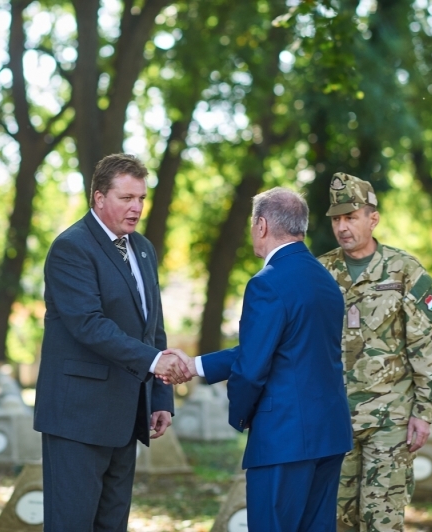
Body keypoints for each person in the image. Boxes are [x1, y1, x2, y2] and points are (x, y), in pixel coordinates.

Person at [161, 188, 353, 531]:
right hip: (330, 434)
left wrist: (243, 415)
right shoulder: (326, 280)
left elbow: (251, 369)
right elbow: (281, 348)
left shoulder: (267, 283)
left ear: (261, 225)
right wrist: (195, 366)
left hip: (283, 437)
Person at [33, 153, 188, 531]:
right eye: (126, 198)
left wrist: (160, 396)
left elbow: (154, 327)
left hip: (128, 416)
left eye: (142, 198)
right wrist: (154, 361)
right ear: (99, 197)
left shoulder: (144, 249)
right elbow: (89, 324)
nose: (137, 207)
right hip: (77, 419)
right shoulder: (71, 247)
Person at [317, 172, 432, 532]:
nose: (342, 227)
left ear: (372, 218)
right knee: (334, 520)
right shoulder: (320, 271)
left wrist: (424, 413)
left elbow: (428, 346)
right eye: (336, 219)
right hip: (333, 419)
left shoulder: (404, 271)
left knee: (382, 521)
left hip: (390, 421)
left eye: (350, 217)